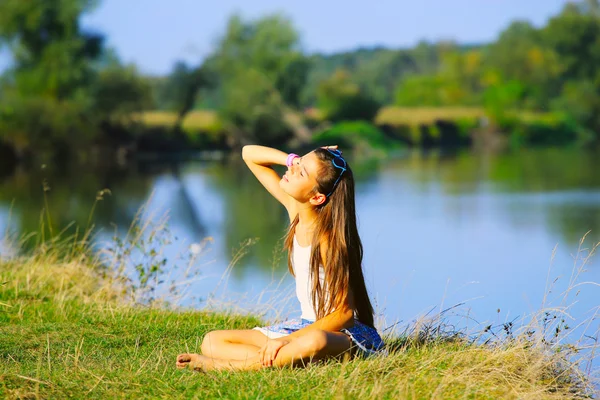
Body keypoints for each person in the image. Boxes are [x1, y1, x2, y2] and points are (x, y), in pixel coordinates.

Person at [176, 145, 384, 372]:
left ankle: (224, 367)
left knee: (315, 342)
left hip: (342, 334)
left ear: (316, 197)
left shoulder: (328, 239)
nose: (293, 169)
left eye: (302, 172)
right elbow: (249, 154)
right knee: (212, 341)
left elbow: (343, 314)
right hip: (303, 327)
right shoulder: (296, 211)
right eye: (297, 163)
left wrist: (287, 340)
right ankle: (287, 358)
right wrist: (292, 159)